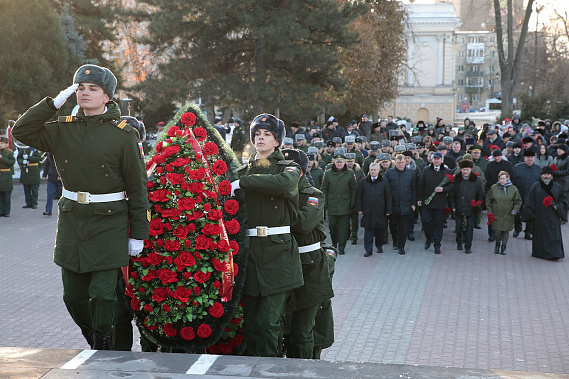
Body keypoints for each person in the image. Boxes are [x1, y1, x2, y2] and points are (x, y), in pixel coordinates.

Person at [11, 64, 149, 350]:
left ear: (107, 97)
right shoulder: (63, 129)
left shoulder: (123, 135)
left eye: (93, 89)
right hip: (73, 220)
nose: (85, 93)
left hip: (109, 221)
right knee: (72, 297)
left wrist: (138, 234)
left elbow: (137, 189)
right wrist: (53, 103)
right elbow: (22, 131)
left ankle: (104, 342)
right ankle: (96, 338)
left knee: (103, 295)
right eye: (80, 88)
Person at [232, 114, 303, 357]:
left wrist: (245, 183)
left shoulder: (289, 168)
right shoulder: (241, 171)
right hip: (250, 253)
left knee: (268, 323)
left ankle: (271, 368)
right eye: (257, 135)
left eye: (267, 134)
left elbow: (284, 185)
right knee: (251, 325)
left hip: (278, 253)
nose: (261, 138)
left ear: (277, 141)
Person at [281, 149, 333, 359]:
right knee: (285, 328)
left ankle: (304, 369)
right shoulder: (280, 194)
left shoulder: (313, 195)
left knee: (303, 331)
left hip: (309, 268)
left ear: (300, 172)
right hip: (285, 265)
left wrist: (274, 217)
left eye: (289, 170)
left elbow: (303, 224)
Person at [523, 166, 568, 260]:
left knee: (553, 236)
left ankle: (554, 254)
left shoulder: (557, 187)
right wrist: (531, 215)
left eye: (548, 174)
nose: (546, 176)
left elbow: (564, 200)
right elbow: (530, 201)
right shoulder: (536, 186)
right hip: (539, 216)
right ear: (541, 175)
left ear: (551, 176)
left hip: (553, 217)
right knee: (540, 236)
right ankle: (540, 253)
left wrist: (558, 207)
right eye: (544, 174)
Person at [321, 149, 357, 255]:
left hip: (345, 205)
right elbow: (324, 188)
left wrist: (352, 203)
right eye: (337, 162)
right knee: (332, 227)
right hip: (332, 205)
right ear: (334, 162)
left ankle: (341, 247)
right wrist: (325, 202)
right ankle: (334, 243)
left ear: (345, 162)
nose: (339, 164)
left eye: (341, 162)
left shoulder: (350, 174)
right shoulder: (328, 174)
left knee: (343, 228)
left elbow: (353, 189)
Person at [418, 152, 454, 254]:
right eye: (435, 159)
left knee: (438, 225)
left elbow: (452, 186)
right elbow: (421, 185)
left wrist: (443, 189)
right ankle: (429, 238)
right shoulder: (426, 170)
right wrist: (419, 198)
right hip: (427, 202)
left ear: (442, 160)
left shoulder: (447, 171)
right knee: (425, 222)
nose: (436, 161)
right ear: (432, 160)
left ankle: (437, 245)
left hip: (439, 203)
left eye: (438, 159)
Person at [357, 162, 391, 257]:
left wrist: (388, 210)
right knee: (368, 232)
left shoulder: (384, 181)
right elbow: (359, 196)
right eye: (371, 170)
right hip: (367, 211)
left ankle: (379, 246)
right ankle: (368, 250)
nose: (372, 171)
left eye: (374, 170)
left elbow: (388, 196)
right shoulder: (363, 181)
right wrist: (359, 209)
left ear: (378, 171)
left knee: (379, 231)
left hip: (380, 210)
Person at [384, 155, 416, 255]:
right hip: (393, 205)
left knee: (403, 227)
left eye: (402, 163)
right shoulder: (389, 173)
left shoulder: (411, 173)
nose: (401, 164)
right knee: (393, 226)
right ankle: (395, 241)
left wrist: (414, 203)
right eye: (399, 163)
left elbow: (414, 189)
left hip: (406, 205)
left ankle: (401, 246)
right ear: (395, 163)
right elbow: (385, 190)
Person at [452, 159, 484, 254]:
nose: (465, 172)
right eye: (463, 169)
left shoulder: (477, 180)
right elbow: (452, 194)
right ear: (460, 169)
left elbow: (481, 194)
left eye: (467, 169)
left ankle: (468, 246)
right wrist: (453, 206)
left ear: (471, 169)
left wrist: (478, 204)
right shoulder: (456, 179)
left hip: (471, 207)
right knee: (458, 227)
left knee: (470, 227)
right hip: (459, 206)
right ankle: (459, 242)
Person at [486, 171, 522, 255]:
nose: (502, 180)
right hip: (496, 213)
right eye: (500, 179)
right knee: (497, 231)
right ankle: (497, 245)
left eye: (504, 179)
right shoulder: (494, 188)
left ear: (507, 179)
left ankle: (504, 247)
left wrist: (515, 210)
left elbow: (518, 201)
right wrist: (490, 211)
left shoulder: (513, 189)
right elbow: (488, 200)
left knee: (506, 231)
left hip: (508, 214)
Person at [512, 151, 542, 240]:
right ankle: (517, 228)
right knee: (516, 213)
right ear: (524, 158)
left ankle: (529, 232)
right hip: (519, 195)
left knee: (531, 214)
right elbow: (513, 181)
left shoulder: (538, 169)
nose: (530, 159)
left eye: (531, 157)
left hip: (533, 196)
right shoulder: (517, 168)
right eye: (528, 157)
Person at [0, 136, 15, 217]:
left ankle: (6, 211)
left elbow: (11, 162)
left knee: (6, 196)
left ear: (6, 144)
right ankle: (1, 210)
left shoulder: (9, 153)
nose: (0, 145)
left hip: (6, 176)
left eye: (2, 143)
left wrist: (2, 158)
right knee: (0, 196)